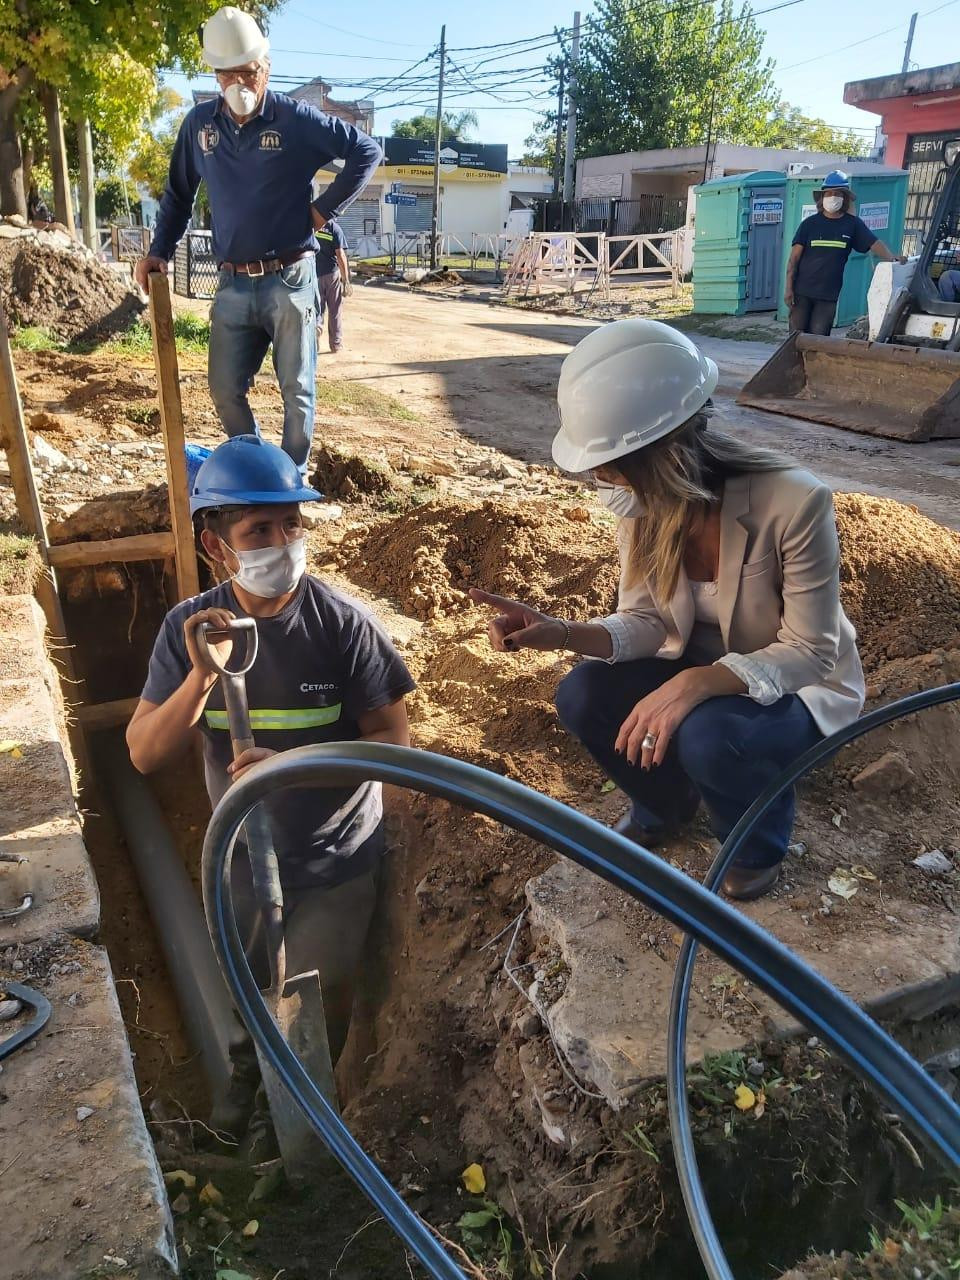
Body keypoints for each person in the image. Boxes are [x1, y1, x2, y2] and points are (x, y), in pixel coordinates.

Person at [471, 319, 865, 902]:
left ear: (662, 454)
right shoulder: (641, 504)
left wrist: (696, 684)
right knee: (581, 694)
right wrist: (565, 633)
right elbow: (647, 621)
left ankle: (754, 843)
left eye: (610, 465)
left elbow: (810, 650)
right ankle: (665, 803)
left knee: (709, 735)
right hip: (701, 672)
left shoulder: (795, 501)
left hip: (797, 686)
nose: (600, 478)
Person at [126, 434, 415, 1140]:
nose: (283, 541)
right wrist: (201, 674)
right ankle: (241, 1107)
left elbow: (395, 743)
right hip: (240, 865)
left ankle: (305, 1151)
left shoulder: (344, 627)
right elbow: (142, 754)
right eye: (260, 529)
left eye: (293, 524)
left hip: (333, 862)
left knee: (310, 1012)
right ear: (217, 545)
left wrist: (298, 762)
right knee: (245, 999)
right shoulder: (187, 629)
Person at [134, 6, 381, 475]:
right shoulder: (200, 127)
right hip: (231, 284)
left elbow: (366, 152)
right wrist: (158, 253)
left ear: (265, 68)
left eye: (248, 73)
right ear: (216, 74)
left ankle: (288, 483)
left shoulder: (295, 119)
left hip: (289, 279)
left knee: (298, 393)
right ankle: (258, 470)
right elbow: (179, 194)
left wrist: (322, 210)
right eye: (228, 75)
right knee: (224, 389)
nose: (239, 85)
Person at [785, 170, 906, 336]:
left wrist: (892, 257)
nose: (832, 197)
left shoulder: (853, 225)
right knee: (795, 340)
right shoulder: (809, 224)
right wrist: (788, 288)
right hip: (801, 293)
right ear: (822, 197)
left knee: (819, 340)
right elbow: (793, 259)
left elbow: (874, 243)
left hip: (828, 296)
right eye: (829, 193)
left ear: (845, 198)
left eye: (837, 193)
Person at [315, 216, 352, 354]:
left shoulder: (313, 228)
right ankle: (336, 344)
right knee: (335, 309)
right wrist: (346, 279)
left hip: (315, 274)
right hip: (332, 275)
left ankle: (317, 327)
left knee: (316, 307)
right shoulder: (334, 229)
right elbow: (340, 254)